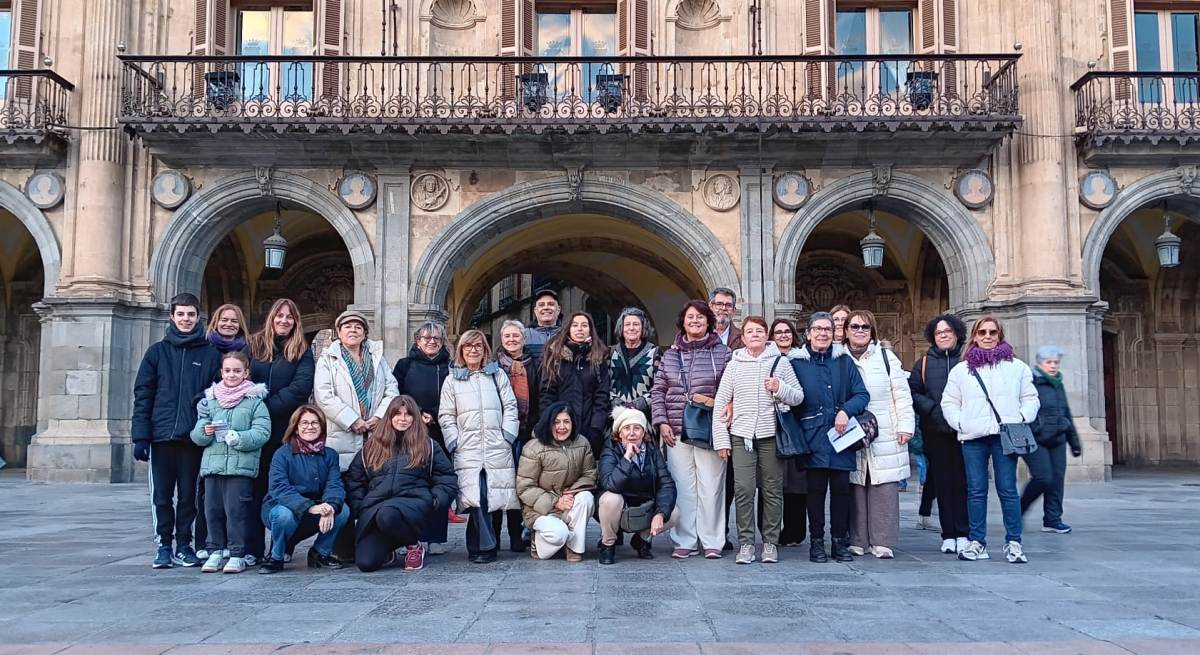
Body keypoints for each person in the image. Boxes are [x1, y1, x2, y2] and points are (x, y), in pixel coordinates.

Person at [132, 292, 222, 569]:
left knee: (187, 496)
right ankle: (163, 544)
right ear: (172, 316)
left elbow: (216, 393)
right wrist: (140, 436)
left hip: (192, 438)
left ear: (198, 318)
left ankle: (184, 545)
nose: (186, 319)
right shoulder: (156, 352)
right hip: (160, 437)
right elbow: (143, 394)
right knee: (161, 496)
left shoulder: (210, 354)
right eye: (181, 314)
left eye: (191, 314)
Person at [941, 316, 1039, 564]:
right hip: (973, 436)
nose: (987, 336)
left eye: (992, 332)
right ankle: (977, 542)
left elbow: (1031, 397)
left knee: (1007, 490)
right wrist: (960, 422)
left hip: (1005, 435)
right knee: (976, 491)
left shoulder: (1017, 367)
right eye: (982, 332)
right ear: (974, 336)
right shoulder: (961, 370)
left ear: (1000, 335)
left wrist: (1021, 416)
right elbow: (949, 401)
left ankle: (1014, 542)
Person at [713, 316, 804, 565]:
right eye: (749, 331)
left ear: (767, 336)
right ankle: (745, 542)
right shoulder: (734, 365)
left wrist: (779, 388)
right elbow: (722, 402)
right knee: (743, 489)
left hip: (770, 434)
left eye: (759, 331)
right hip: (741, 435)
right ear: (742, 338)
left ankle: (770, 543)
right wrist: (721, 440)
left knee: (772, 490)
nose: (754, 335)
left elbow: (797, 396)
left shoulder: (781, 362)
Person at [314, 309, 400, 561]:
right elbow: (324, 395)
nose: (353, 330)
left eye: (358, 327)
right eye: (347, 326)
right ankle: (343, 548)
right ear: (339, 332)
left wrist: (378, 418)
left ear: (365, 333)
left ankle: (374, 542)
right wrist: (353, 421)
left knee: (373, 491)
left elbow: (391, 389)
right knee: (344, 492)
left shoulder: (377, 358)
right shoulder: (328, 360)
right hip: (342, 434)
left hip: (374, 433)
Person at [651, 300, 731, 559]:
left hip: (709, 428)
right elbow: (658, 390)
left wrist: (727, 411)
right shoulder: (670, 355)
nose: (695, 321)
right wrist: (661, 421)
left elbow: (731, 389)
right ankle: (684, 539)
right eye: (690, 318)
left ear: (709, 321)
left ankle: (712, 540)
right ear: (682, 323)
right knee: (683, 485)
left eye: (700, 317)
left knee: (712, 486)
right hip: (675, 429)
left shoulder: (724, 353)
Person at [789, 311, 870, 563]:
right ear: (809, 333)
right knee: (814, 492)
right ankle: (816, 543)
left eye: (827, 329)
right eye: (817, 329)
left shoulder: (844, 362)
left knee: (841, 491)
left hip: (840, 437)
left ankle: (839, 542)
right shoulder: (796, 363)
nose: (823, 333)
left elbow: (862, 394)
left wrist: (846, 411)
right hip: (811, 437)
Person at [345, 396, 458, 572]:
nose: (403, 419)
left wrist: (436, 500)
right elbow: (354, 479)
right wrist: (360, 505)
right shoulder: (372, 446)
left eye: (408, 414)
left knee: (387, 515)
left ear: (415, 418)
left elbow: (446, 477)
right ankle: (392, 544)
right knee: (366, 563)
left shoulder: (427, 445)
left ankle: (414, 546)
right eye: (397, 414)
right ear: (389, 417)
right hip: (375, 507)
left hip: (413, 504)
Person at [440, 329, 520, 564]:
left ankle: (484, 545)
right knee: (477, 496)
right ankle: (482, 546)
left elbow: (511, 406)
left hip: (496, 445)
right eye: (468, 346)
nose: (473, 350)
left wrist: (508, 435)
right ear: (461, 351)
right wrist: (454, 440)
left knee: (492, 496)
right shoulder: (452, 380)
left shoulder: (497, 376)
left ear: (485, 349)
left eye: (478, 346)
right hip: (468, 448)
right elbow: (446, 415)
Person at [245, 298, 315, 566]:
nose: (284, 321)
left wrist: (263, 408)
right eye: (280, 316)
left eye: (290, 317)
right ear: (271, 318)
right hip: (254, 433)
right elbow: (243, 379)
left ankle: (280, 545)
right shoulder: (253, 345)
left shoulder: (302, 351)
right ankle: (251, 547)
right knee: (253, 489)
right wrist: (255, 412)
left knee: (281, 491)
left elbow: (300, 388)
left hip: (285, 432)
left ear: (296, 321)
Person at [190, 350, 270, 574]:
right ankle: (215, 549)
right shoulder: (211, 400)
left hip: (240, 467)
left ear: (246, 373)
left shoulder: (255, 402)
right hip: (213, 466)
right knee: (212, 510)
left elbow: (262, 432)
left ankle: (237, 553)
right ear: (221, 372)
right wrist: (204, 431)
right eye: (227, 370)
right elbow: (197, 434)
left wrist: (239, 438)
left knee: (237, 511)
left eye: (237, 371)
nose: (232, 375)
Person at [843, 310, 913, 560]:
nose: (859, 331)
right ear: (846, 330)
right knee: (855, 483)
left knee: (883, 484)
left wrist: (905, 426)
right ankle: (858, 539)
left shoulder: (886, 357)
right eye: (854, 326)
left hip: (884, 428)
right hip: (851, 429)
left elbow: (901, 394)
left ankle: (883, 541)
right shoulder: (839, 357)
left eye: (865, 327)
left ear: (872, 331)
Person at [392, 321, 462, 555]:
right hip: (409, 431)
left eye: (437, 339)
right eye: (426, 338)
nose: (431, 342)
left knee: (438, 485)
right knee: (409, 483)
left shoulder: (451, 367)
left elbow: (456, 396)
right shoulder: (404, 365)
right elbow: (396, 396)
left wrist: (433, 413)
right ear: (417, 341)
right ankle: (409, 537)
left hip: (440, 431)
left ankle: (435, 537)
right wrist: (417, 412)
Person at [260, 404, 348, 574]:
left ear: (322, 426)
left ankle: (320, 553)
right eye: (304, 423)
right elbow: (278, 488)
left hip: (316, 506)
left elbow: (334, 484)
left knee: (342, 510)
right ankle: (275, 556)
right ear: (296, 427)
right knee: (284, 515)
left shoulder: (330, 455)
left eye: (315, 423)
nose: (310, 427)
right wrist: (309, 506)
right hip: (281, 506)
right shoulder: (282, 453)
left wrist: (330, 506)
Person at [909, 313, 971, 554]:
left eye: (948, 331)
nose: (943, 335)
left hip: (966, 430)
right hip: (936, 430)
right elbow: (913, 392)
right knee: (944, 483)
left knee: (965, 483)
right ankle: (948, 534)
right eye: (938, 332)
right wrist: (934, 410)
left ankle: (964, 532)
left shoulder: (968, 361)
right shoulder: (923, 363)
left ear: (957, 334)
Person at [517, 402, 597, 562]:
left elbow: (590, 474)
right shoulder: (534, 448)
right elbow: (525, 487)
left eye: (566, 422)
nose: (562, 427)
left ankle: (574, 548)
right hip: (540, 509)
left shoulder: (582, 443)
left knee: (586, 498)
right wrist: (555, 502)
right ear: (548, 423)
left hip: (569, 502)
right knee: (559, 535)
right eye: (556, 422)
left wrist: (571, 493)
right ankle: (538, 543)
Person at [597, 406, 678, 564]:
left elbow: (666, 483)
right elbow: (610, 484)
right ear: (619, 433)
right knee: (611, 498)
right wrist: (627, 458)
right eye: (627, 428)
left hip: (643, 505)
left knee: (673, 513)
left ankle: (641, 539)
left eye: (637, 428)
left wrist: (660, 514)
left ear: (644, 432)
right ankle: (608, 544)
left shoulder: (652, 451)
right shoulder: (610, 450)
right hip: (618, 507)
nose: (632, 433)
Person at [1021, 345, 1083, 534]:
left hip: (1058, 438)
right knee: (1043, 478)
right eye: (1049, 362)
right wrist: (1033, 430)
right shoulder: (1031, 381)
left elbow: (1066, 413)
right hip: (1037, 439)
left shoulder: (1058, 383)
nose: (1053, 366)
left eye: (1056, 362)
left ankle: (1052, 519)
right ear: (1040, 364)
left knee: (1056, 480)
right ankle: (1018, 510)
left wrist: (1075, 443)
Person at [539, 311, 611, 458]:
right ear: (568, 329)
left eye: (584, 325)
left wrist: (596, 428)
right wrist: (550, 423)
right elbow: (547, 393)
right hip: (560, 427)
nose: (580, 329)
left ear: (590, 330)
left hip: (589, 427)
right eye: (575, 325)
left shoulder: (598, 358)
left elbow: (601, 396)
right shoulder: (555, 356)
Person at [496, 319, 540, 553]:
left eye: (516, 336)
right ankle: (496, 536)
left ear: (524, 339)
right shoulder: (494, 365)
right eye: (507, 336)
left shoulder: (536, 364)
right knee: (500, 484)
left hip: (529, 433)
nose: (512, 340)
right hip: (500, 434)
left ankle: (517, 535)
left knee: (521, 485)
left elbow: (542, 396)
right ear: (501, 340)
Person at [773, 318, 807, 547]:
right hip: (772, 425)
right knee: (772, 481)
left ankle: (795, 530)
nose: (783, 335)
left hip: (798, 424)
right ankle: (771, 530)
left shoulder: (803, 359)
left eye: (787, 331)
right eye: (778, 332)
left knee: (796, 481)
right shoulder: (767, 359)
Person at [609, 307, 658, 418]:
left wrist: (638, 404)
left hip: (646, 419)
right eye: (627, 325)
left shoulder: (655, 353)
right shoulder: (610, 353)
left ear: (643, 327)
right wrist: (618, 404)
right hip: (616, 419)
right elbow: (603, 385)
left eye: (636, 324)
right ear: (621, 328)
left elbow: (660, 386)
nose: (631, 328)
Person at [523, 289, 562, 358]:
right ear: (535, 311)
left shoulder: (567, 334)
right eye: (541, 305)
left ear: (558, 309)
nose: (546, 307)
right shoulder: (524, 335)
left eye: (551, 304)